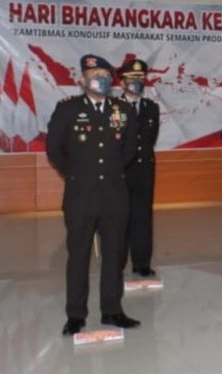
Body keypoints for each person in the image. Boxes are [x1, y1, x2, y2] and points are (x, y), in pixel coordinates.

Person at [46, 54, 140, 335]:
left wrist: (109, 173)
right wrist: (76, 175)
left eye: (104, 73)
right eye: (93, 74)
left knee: (114, 256)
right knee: (78, 257)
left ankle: (112, 310)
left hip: (114, 196)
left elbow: (130, 149)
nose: (99, 78)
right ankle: (76, 315)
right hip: (80, 197)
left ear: (111, 79)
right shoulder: (67, 110)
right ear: (82, 80)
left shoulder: (123, 110)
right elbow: (55, 150)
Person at [118, 59, 160, 277]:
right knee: (119, 217)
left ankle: (142, 263)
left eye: (141, 79)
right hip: (121, 171)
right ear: (123, 81)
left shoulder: (151, 108)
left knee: (143, 217)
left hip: (144, 170)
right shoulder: (114, 107)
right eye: (132, 79)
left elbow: (149, 139)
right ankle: (117, 262)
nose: (137, 83)